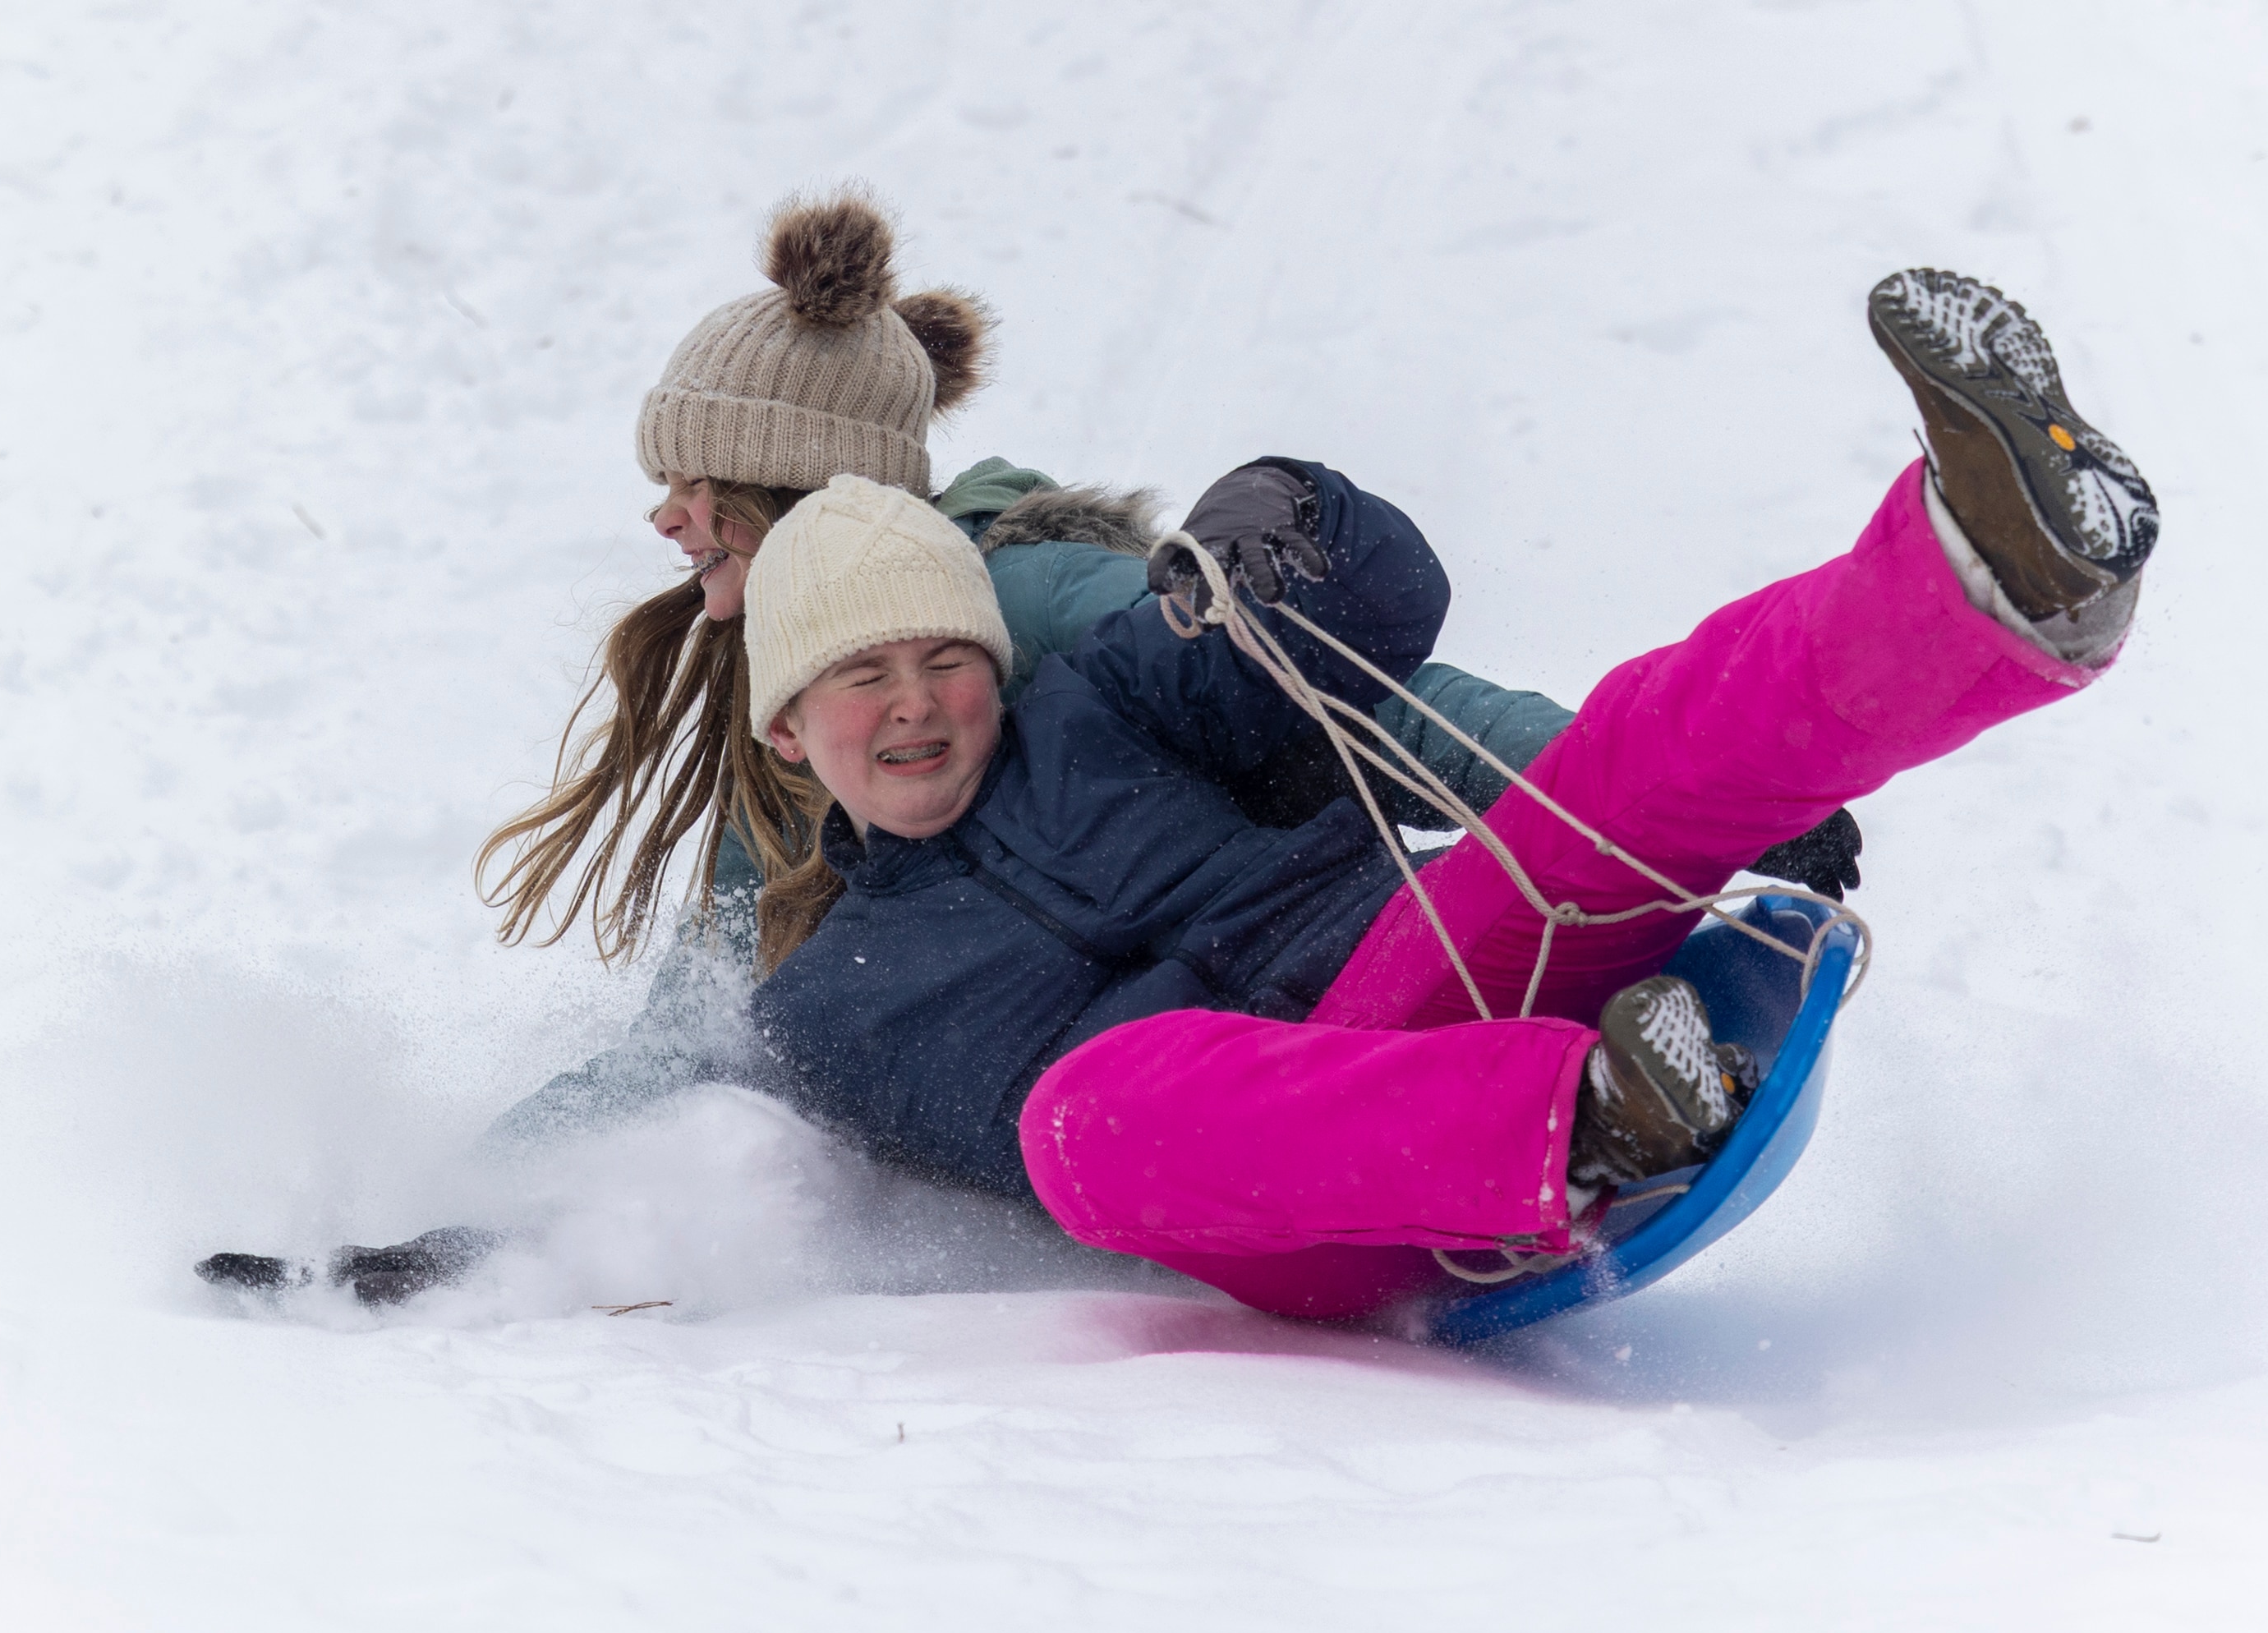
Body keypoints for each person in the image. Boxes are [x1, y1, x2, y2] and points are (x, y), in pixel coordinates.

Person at [201, 268, 2147, 1317]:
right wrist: (468, 1220)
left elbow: (1363, 673)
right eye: (851, 678)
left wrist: (1292, 531)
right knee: (1095, 1116)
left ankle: (1993, 578)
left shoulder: (1046, 628)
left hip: (1400, 966)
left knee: (1619, 760)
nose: (915, 701)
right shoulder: (788, 926)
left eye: (933, 656)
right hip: (1301, 1156)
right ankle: (1592, 1105)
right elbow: (674, 1052)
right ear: (784, 720)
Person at [470, 190, 1856, 987]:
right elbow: (717, 988)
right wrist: (512, 1220)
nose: (667, 517)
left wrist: (1676, 813)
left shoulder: (1030, 603)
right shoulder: (794, 704)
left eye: (700, 486)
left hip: (1312, 934)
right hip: (1127, 1041)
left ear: (795, 485)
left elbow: (1380, 709)